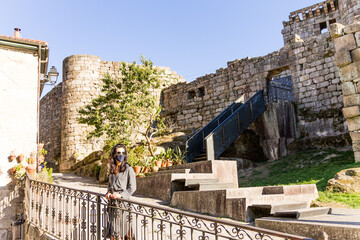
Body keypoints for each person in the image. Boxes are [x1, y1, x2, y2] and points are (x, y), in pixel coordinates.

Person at [105, 143, 136, 240]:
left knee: (125, 231)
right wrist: (108, 193)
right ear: (114, 155)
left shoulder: (128, 169)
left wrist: (120, 195)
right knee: (113, 232)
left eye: (123, 153)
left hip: (123, 205)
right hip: (112, 205)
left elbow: (132, 187)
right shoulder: (112, 169)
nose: (121, 154)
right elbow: (110, 185)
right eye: (118, 152)